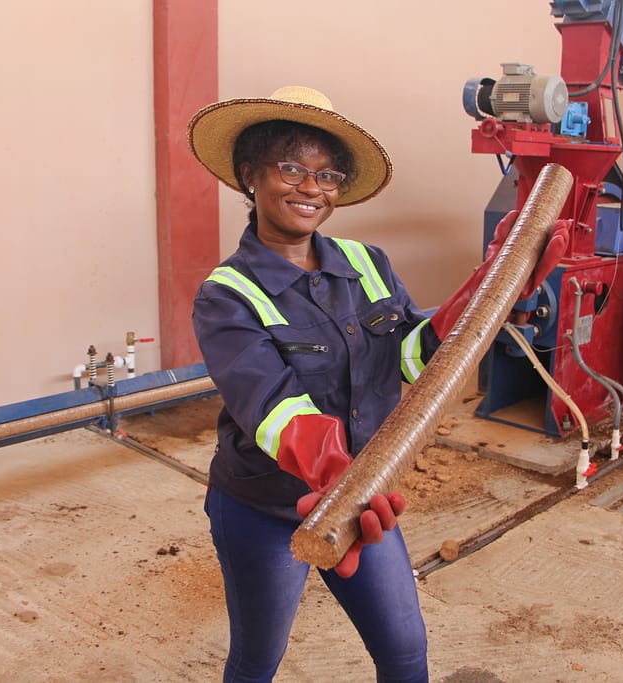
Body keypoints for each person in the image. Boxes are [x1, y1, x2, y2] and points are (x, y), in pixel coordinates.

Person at [187, 86, 567, 683]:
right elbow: (270, 406)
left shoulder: (367, 263)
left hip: (360, 497)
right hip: (261, 505)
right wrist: (337, 472)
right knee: (258, 658)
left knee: (405, 652)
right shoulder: (226, 294)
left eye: (328, 175)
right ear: (249, 176)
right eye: (291, 167)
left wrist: (488, 289)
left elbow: (413, 356)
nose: (311, 188)